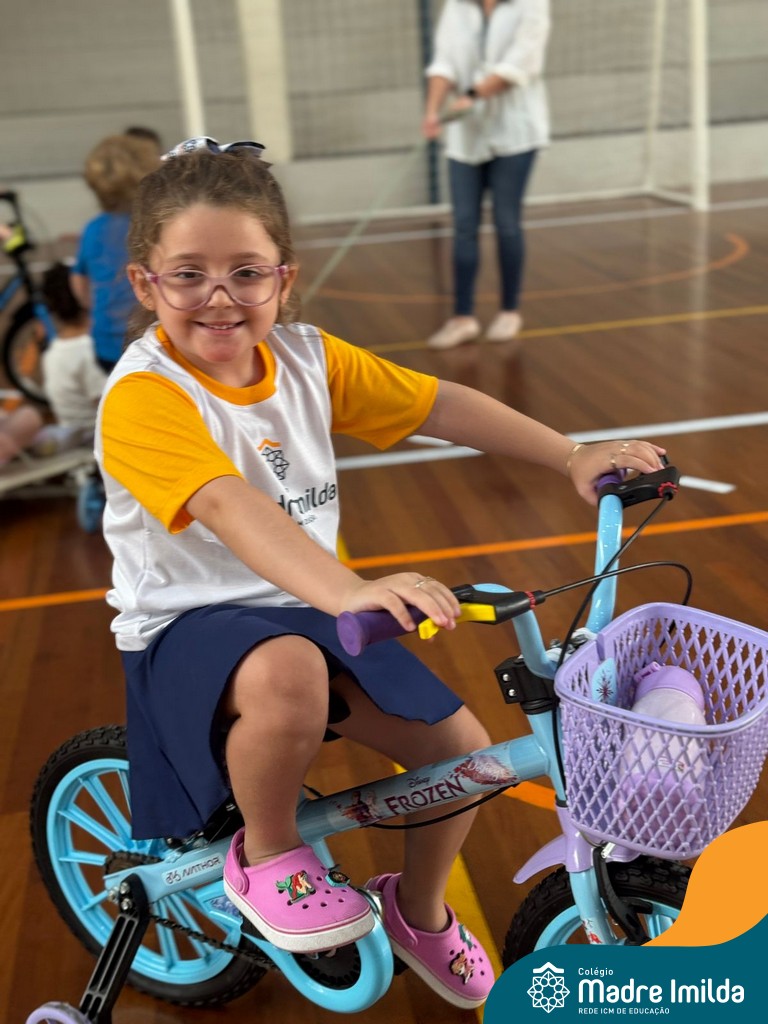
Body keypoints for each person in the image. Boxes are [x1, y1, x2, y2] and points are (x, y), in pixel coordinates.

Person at [95, 138, 665, 1010]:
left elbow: (440, 403)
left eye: (246, 273)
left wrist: (570, 454)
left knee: (465, 754)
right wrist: (350, 591)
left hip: (306, 604)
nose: (220, 296)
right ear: (145, 283)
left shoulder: (306, 357)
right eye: (188, 275)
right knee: (288, 672)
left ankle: (419, 911)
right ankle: (267, 854)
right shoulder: (145, 396)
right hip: (186, 624)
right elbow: (229, 507)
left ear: (284, 278)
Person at [422, 0, 551, 349]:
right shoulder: (457, 7)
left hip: (515, 133)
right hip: (465, 137)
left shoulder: (532, 5)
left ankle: (509, 311)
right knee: (464, 225)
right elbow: (444, 62)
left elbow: (521, 63)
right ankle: (462, 318)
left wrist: (472, 96)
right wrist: (432, 110)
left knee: (507, 223)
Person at [71, 134, 160, 372]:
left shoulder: (93, 229)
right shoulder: (154, 226)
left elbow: (79, 281)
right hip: (151, 341)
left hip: (106, 345)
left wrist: (94, 308)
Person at [33, 261, 107, 453]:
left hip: (71, 438)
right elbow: (107, 405)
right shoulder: (90, 350)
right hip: (95, 439)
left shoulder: (52, 352)